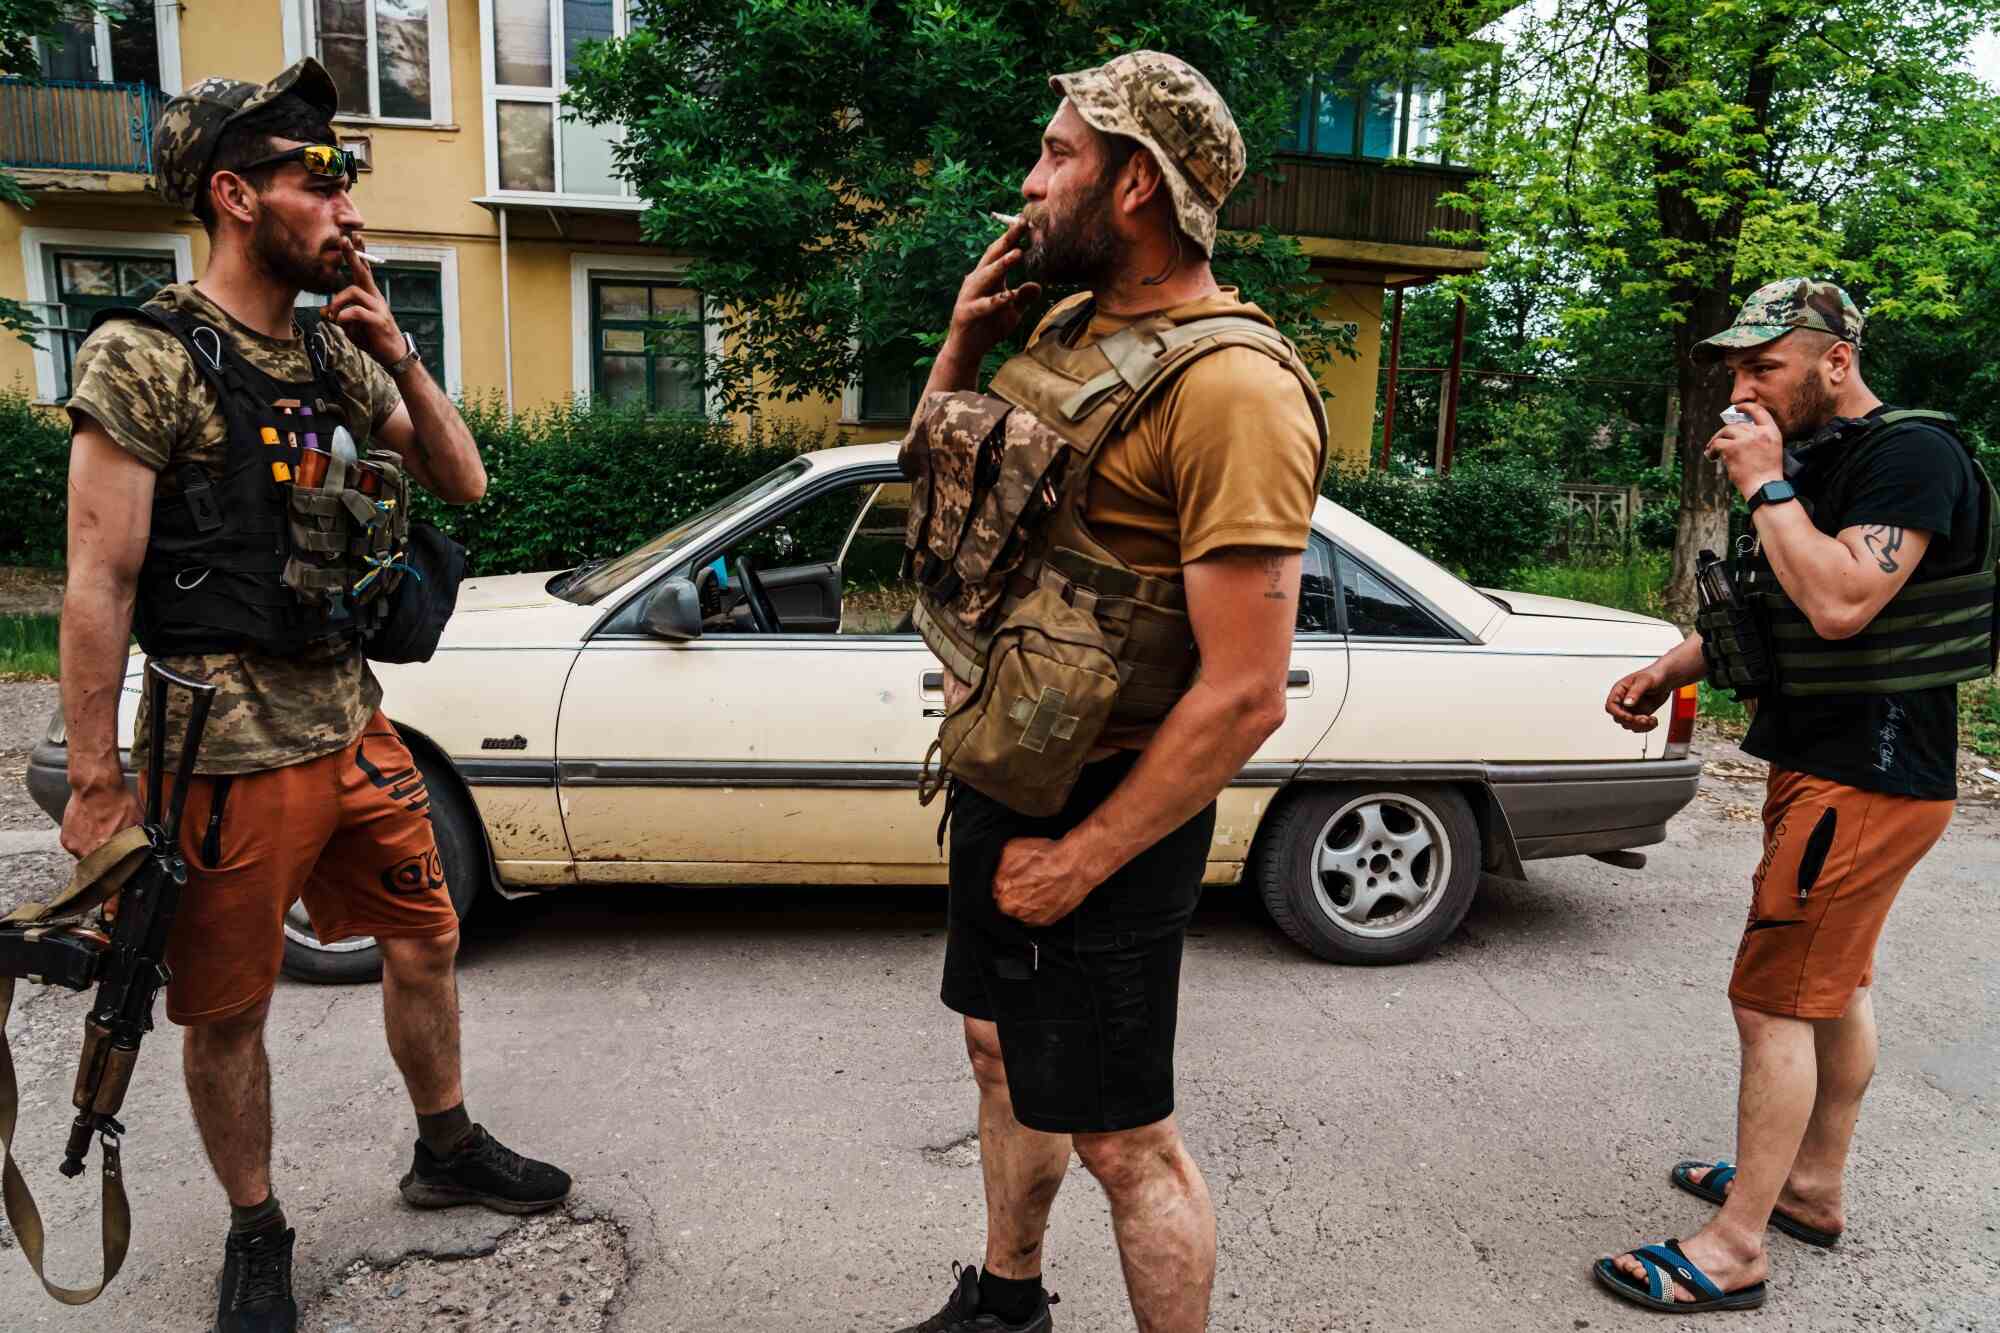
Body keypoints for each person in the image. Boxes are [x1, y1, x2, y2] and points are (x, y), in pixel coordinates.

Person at [58, 59, 569, 1333]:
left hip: (349, 718)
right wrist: (92, 781)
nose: (348, 201)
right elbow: (96, 583)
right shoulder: (147, 358)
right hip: (222, 750)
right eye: (319, 175)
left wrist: (396, 348)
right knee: (226, 1011)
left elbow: (462, 483)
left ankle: (443, 1146)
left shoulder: (335, 351)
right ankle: (256, 1225)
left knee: (429, 936)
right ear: (236, 195)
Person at [893, 52, 1328, 1333]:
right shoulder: (1063, 330)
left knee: (1126, 1143)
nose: (1028, 183)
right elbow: (940, 496)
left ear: (1136, 184)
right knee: (998, 1055)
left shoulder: (1235, 388)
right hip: (1004, 768)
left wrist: (1079, 861)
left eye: (1057, 156)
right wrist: (963, 342)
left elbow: (1246, 694)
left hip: (1107, 809)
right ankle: (1006, 1299)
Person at [1596, 279, 1992, 1314]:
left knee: (1771, 996)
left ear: (1831, 361)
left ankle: (1734, 1247)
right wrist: (1670, 666)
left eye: (1759, 365)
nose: (1740, 387)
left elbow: (1839, 599)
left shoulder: (1911, 457)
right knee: (1834, 987)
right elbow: (1774, 597)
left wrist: (1765, 484)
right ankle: (1806, 1188)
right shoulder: (1824, 464)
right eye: (1732, 368)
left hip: (1866, 771)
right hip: (1826, 764)